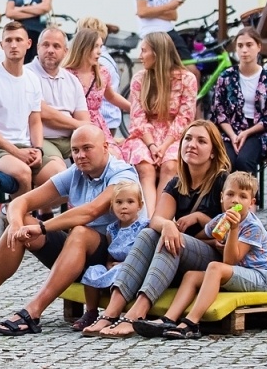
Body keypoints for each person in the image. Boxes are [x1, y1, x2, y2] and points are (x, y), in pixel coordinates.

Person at [0, 125, 134, 335]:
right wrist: (17, 225)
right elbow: (22, 202)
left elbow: (90, 212)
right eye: (75, 151)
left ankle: (32, 312)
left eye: (87, 148)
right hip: (79, 252)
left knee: (80, 232)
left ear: (105, 147)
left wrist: (42, 227)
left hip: (115, 259)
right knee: (23, 226)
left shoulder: (122, 174)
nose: (80, 156)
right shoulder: (77, 172)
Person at [83, 121, 233, 334]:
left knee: (171, 240)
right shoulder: (176, 183)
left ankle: (137, 313)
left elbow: (231, 232)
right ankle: (112, 311)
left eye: (201, 141)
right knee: (149, 233)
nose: (192, 144)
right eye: (188, 139)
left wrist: (192, 226)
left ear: (212, 152)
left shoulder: (223, 182)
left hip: (212, 260)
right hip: (178, 257)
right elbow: (156, 220)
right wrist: (168, 226)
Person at [145, 171, 267, 340]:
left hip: (262, 276)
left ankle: (191, 323)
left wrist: (234, 229)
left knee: (215, 267)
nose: (235, 200)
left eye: (243, 197)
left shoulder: (253, 227)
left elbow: (230, 261)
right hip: (239, 273)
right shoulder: (221, 219)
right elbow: (200, 238)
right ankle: (169, 319)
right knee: (191, 276)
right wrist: (204, 226)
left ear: (251, 203)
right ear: (222, 197)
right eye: (230, 194)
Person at [0, 21, 63, 195]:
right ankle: (19, 219)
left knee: (61, 179)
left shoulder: (32, 79)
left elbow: (35, 121)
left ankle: (8, 213)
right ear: (1, 45)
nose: (13, 45)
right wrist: (15, 152)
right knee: (23, 172)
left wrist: (38, 149)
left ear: (28, 44)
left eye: (19, 40)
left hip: (23, 146)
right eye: (9, 40)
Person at [117, 32, 198, 216]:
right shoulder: (140, 78)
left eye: (144, 51)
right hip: (145, 135)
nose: (139, 56)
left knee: (170, 165)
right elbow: (137, 117)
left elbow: (184, 118)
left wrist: (164, 145)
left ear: (158, 53)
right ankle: (148, 218)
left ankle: (159, 218)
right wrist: (152, 145)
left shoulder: (187, 79)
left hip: (174, 135)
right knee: (145, 167)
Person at [208, 28, 267, 175]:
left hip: (257, 132)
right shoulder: (226, 76)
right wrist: (233, 136)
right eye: (240, 46)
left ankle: (251, 198)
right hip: (229, 131)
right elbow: (219, 111)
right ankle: (223, 197)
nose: (244, 50)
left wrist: (246, 133)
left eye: (249, 45)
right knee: (225, 162)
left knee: (244, 161)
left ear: (259, 47)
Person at [74, 181, 148, 328]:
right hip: (114, 268)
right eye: (119, 202)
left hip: (134, 270)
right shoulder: (112, 230)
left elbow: (145, 256)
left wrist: (124, 265)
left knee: (120, 271)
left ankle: (115, 312)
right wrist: (108, 264)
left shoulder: (144, 227)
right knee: (93, 270)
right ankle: (91, 311)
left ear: (139, 205)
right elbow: (110, 256)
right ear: (112, 206)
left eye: (130, 202)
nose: (124, 206)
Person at [28, 25, 90, 160]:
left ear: (65, 51)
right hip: (41, 140)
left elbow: (84, 118)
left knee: (107, 158)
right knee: (58, 170)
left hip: (71, 140)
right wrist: (78, 125)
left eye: (56, 46)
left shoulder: (72, 81)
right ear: (38, 47)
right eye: (46, 45)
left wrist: (83, 127)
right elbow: (44, 113)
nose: (50, 50)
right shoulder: (26, 75)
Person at [66, 25, 128, 142]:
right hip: (73, 124)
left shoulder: (102, 72)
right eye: (95, 47)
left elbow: (111, 96)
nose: (99, 52)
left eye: (101, 47)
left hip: (97, 124)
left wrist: (134, 108)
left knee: (114, 155)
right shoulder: (66, 74)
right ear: (83, 48)